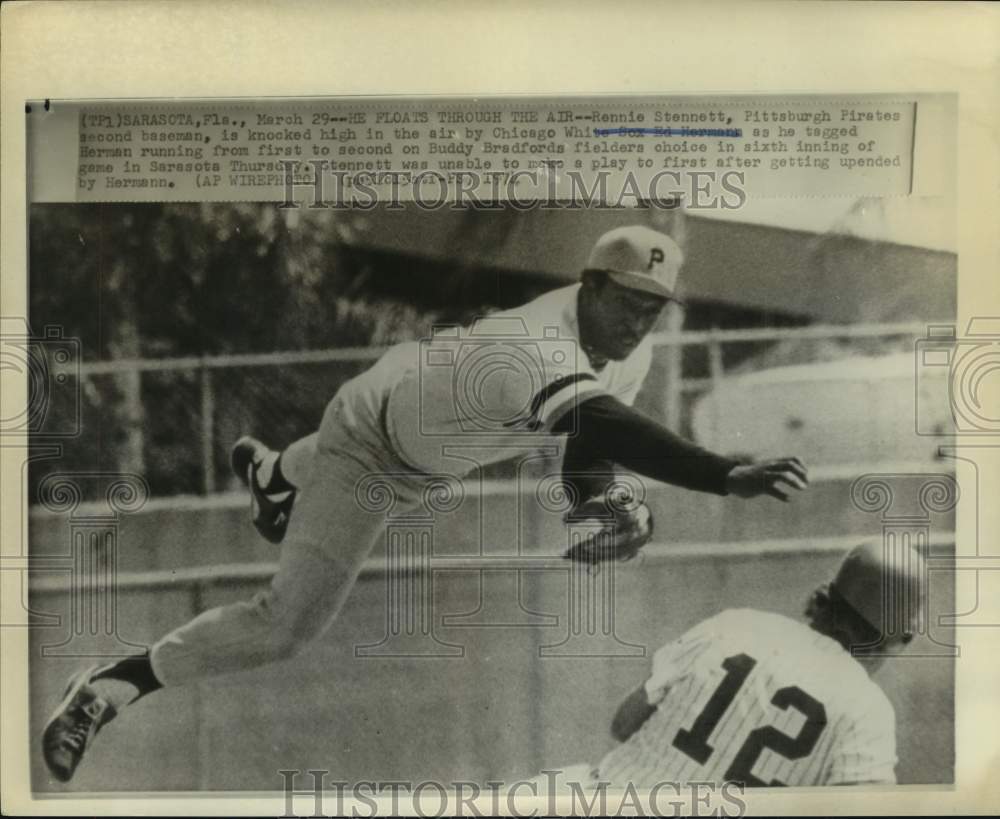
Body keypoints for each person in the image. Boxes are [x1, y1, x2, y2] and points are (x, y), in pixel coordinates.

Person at [42, 225, 809, 783]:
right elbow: (598, 421)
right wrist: (718, 473)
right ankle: (112, 683)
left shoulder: (624, 349)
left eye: (655, 307)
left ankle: (279, 475)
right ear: (590, 285)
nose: (640, 321)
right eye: (629, 301)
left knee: (422, 442)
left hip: (425, 426)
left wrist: (606, 502)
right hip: (371, 448)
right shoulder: (533, 339)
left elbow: (587, 456)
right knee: (286, 627)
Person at [542, 541, 922, 791]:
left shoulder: (737, 623)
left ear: (824, 596)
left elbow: (624, 723)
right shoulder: (865, 710)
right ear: (900, 638)